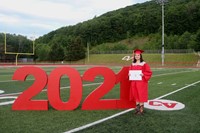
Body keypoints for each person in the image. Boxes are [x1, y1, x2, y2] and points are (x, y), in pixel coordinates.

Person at [129, 49, 152, 115]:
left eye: (138, 55)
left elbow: (149, 72)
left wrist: (143, 74)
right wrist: (129, 74)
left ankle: (141, 110)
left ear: (140, 56)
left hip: (141, 82)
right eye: (135, 55)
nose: (137, 56)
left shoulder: (144, 64)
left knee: (141, 95)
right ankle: (137, 108)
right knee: (135, 94)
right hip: (134, 82)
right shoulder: (132, 64)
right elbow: (130, 71)